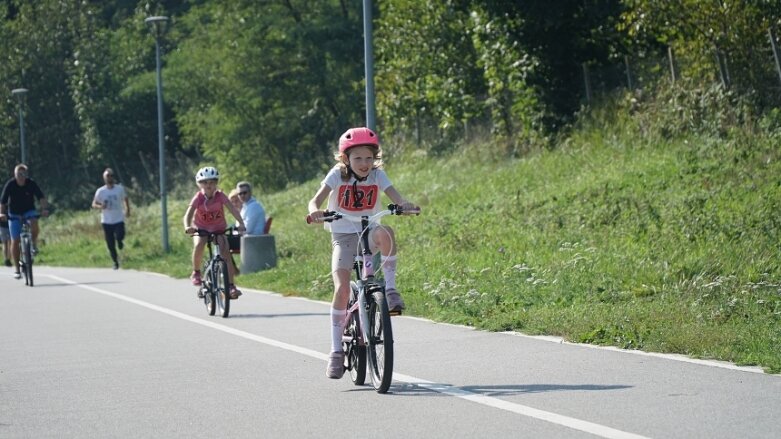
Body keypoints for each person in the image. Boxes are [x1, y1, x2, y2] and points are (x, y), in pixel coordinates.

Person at [307, 127, 419, 379]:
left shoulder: (378, 175)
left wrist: (405, 206)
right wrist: (315, 211)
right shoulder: (337, 175)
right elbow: (315, 200)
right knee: (342, 288)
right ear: (346, 158)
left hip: (369, 230)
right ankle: (336, 351)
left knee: (387, 231)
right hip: (343, 236)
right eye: (358, 158)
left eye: (369, 157)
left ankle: (389, 291)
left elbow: (396, 197)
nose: (364, 163)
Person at [183, 166, 246, 299]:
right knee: (199, 244)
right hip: (201, 228)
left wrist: (241, 223)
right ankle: (196, 272)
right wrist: (188, 226)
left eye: (212, 182)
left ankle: (230, 286)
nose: (209, 185)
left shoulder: (220, 196)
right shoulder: (198, 198)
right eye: (205, 182)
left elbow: (232, 210)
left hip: (218, 228)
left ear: (216, 183)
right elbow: (188, 215)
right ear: (200, 184)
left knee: (226, 254)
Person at [0, 164, 49, 279]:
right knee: (15, 240)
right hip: (14, 214)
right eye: (19, 174)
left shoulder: (31, 183)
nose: (21, 177)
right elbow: (2, 202)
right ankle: (17, 269)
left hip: (29, 211)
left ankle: (33, 244)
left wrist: (44, 209)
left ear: (26, 175)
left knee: (34, 222)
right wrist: (2, 213)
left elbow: (41, 197)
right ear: (15, 175)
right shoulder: (10, 185)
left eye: (23, 174)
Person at [92, 168, 130, 270]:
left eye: (111, 175)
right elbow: (94, 204)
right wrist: (101, 207)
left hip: (118, 219)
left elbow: (125, 199)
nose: (109, 178)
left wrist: (127, 209)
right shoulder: (101, 191)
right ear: (104, 178)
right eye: (107, 176)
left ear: (113, 177)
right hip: (106, 221)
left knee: (120, 235)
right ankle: (115, 262)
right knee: (110, 244)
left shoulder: (119, 189)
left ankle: (120, 241)